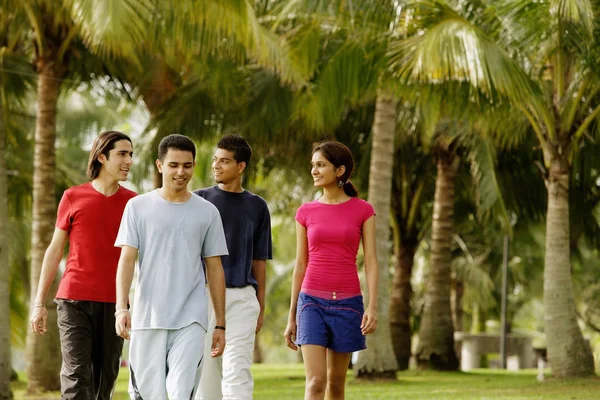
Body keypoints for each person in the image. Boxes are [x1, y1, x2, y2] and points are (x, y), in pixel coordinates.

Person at [114, 134, 228, 400]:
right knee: (149, 396)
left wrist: (220, 324)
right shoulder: (137, 207)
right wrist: (122, 308)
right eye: (174, 165)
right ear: (159, 165)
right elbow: (127, 260)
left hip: (191, 318)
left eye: (187, 165)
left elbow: (215, 268)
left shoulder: (207, 212)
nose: (181, 172)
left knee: (181, 394)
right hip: (147, 318)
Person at [30, 130, 136, 400]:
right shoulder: (73, 197)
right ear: (102, 157)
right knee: (77, 375)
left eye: (131, 154)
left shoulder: (134, 203)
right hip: (73, 300)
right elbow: (55, 250)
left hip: (115, 304)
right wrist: (39, 302)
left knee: (105, 378)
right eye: (122, 154)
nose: (129, 161)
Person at [283, 141, 379, 400]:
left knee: (336, 385)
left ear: (340, 170)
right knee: (315, 382)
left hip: (348, 304)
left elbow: (370, 260)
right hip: (311, 303)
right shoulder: (305, 212)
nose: (314, 170)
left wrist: (372, 306)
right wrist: (292, 316)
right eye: (313, 165)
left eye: (321, 165)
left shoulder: (363, 210)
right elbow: (300, 264)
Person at [194, 135, 272, 400]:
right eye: (215, 160)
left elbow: (259, 261)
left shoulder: (258, 206)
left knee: (237, 369)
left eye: (224, 161)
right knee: (206, 377)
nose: (216, 165)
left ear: (241, 166)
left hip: (241, 298)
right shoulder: (198, 201)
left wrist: (260, 306)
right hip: (203, 297)